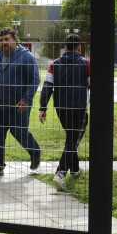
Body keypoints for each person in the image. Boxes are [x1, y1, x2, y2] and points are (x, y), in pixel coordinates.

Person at [0, 27, 41, 177]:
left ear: (15, 40)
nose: (3, 43)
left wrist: (26, 100)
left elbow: (34, 80)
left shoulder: (27, 57)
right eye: (1, 40)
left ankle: (35, 152)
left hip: (19, 106)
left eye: (7, 39)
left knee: (20, 133)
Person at [39, 34, 90, 189]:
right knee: (73, 140)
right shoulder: (86, 64)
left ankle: (74, 169)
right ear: (79, 47)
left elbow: (47, 86)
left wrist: (43, 108)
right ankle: (60, 173)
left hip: (61, 108)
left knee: (71, 137)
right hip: (79, 108)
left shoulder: (54, 64)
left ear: (65, 47)